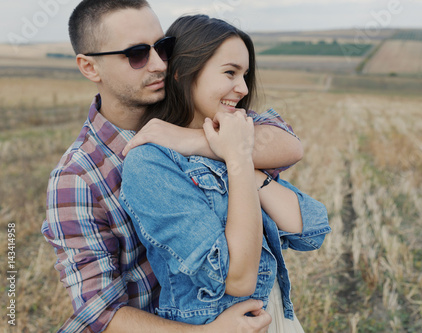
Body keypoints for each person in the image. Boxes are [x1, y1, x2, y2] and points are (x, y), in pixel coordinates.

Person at [41, 1, 304, 332]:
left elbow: (289, 143)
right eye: (137, 54)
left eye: (163, 47)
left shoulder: (201, 115)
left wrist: (192, 140)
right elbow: (101, 313)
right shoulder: (77, 177)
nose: (158, 64)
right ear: (90, 67)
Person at [119, 15, 331, 332]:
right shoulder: (151, 163)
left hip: (278, 317)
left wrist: (213, 146)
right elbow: (239, 277)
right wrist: (238, 158)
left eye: (245, 74)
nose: (243, 88)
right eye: (230, 72)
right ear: (181, 72)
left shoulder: (236, 136)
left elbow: (311, 229)